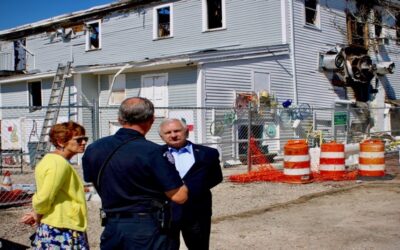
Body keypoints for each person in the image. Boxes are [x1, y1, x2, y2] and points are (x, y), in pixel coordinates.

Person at [82, 97, 188, 250]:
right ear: (151, 120)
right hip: (148, 228)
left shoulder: (94, 149)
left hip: (113, 226)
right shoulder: (153, 152)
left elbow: (93, 181)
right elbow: (179, 196)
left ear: (119, 119)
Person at [20, 121, 90, 249]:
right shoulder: (58, 164)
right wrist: (36, 213)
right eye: (79, 140)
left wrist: (36, 214)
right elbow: (45, 196)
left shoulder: (52, 160)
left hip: (59, 224)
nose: (84, 142)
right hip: (62, 229)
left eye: (85, 139)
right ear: (61, 142)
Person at [159, 118, 223, 250]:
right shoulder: (155, 155)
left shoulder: (208, 153)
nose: (173, 135)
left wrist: (189, 189)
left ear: (186, 132)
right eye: (168, 132)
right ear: (162, 136)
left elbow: (216, 177)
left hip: (197, 211)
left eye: (177, 131)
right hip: (166, 212)